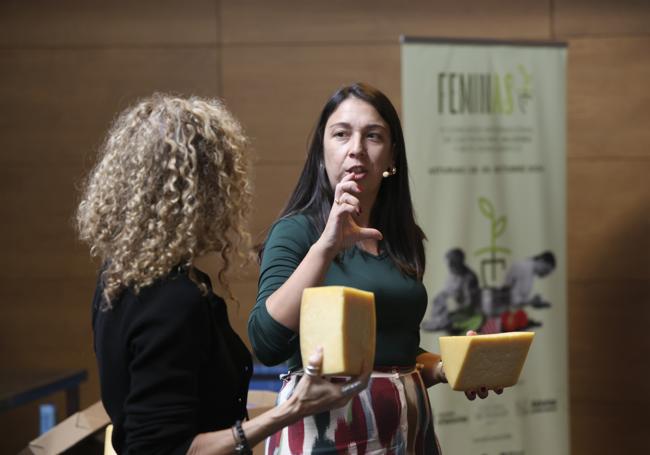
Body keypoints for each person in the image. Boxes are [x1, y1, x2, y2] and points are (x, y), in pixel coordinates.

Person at [76, 94, 370, 455]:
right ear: (204, 191)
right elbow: (164, 448)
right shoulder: (172, 301)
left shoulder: (117, 279)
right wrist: (292, 409)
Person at [248, 83, 500, 455]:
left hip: (407, 430)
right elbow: (266, 342)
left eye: (373, 136)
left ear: (392, 156)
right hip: (329, 434)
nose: (356, 150)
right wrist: (327, 247)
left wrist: (449, 367)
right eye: (341, 134)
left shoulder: (402, 237)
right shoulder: (298, 231)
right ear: (322, 152)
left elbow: (395, 353)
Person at [421, 248, 481, 332]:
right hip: (449, 304)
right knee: (439, 299)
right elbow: (447, 291)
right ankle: (437, 320)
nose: (449, 266)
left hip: (462, 309)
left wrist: (455, 302)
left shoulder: (469, 278)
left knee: (450, 306)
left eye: (452, 263)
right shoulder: (452, 274)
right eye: (448, 263)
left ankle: (443, 322)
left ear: (459, 262)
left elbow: (469, 301)